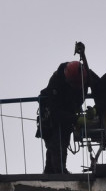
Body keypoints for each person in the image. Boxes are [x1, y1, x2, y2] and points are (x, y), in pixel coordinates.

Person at [37, 43, 99, 174]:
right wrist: (76, 119)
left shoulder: (86, 74)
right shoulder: (56, 81)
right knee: (57, 142)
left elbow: (101, 89)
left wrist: (96, 109)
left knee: (60, 141)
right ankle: (58, 173)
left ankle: (51, 173)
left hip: (68, 111)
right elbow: (55, 111)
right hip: (52, 113)